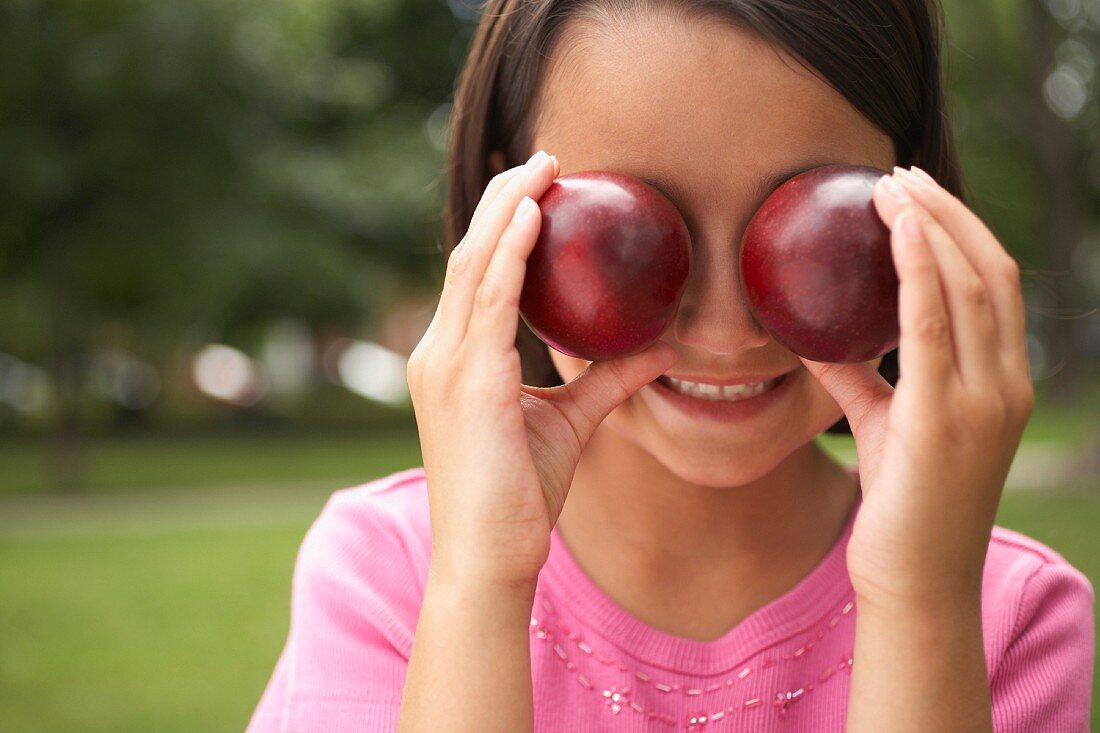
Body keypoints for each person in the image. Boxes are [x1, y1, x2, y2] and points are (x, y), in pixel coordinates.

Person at [246, 0, 1095, 730]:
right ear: (508, 224)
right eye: (625, 238)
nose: (725, 332)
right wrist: (479, 580)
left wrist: (921, 602)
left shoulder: (1005, 615)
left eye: (812, 231)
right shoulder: (385, 575)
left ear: (921, 207)